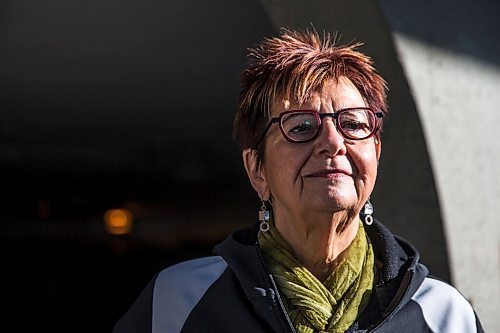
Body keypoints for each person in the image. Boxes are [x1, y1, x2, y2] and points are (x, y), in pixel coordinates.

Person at [113, 29, 484, 333]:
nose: (334, 143)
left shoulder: (443, 315)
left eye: (353, 124)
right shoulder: (178, 303)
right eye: (302, 127)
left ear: (376, 154)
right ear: (257, 170)